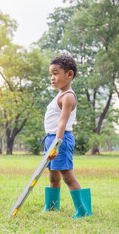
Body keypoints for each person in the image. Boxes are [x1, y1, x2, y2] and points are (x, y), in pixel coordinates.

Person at [42, 55, 92, 218]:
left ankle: (83, 210)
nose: (52, 78)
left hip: (60, 140)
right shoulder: (59, 95)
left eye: (56, 73)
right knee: (52, 175)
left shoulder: (68, 96)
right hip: (51, 138)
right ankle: (51, 207)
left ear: (69, 74)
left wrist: (56, 144)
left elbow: (62, 122)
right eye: (51, 74)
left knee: (67, 176)